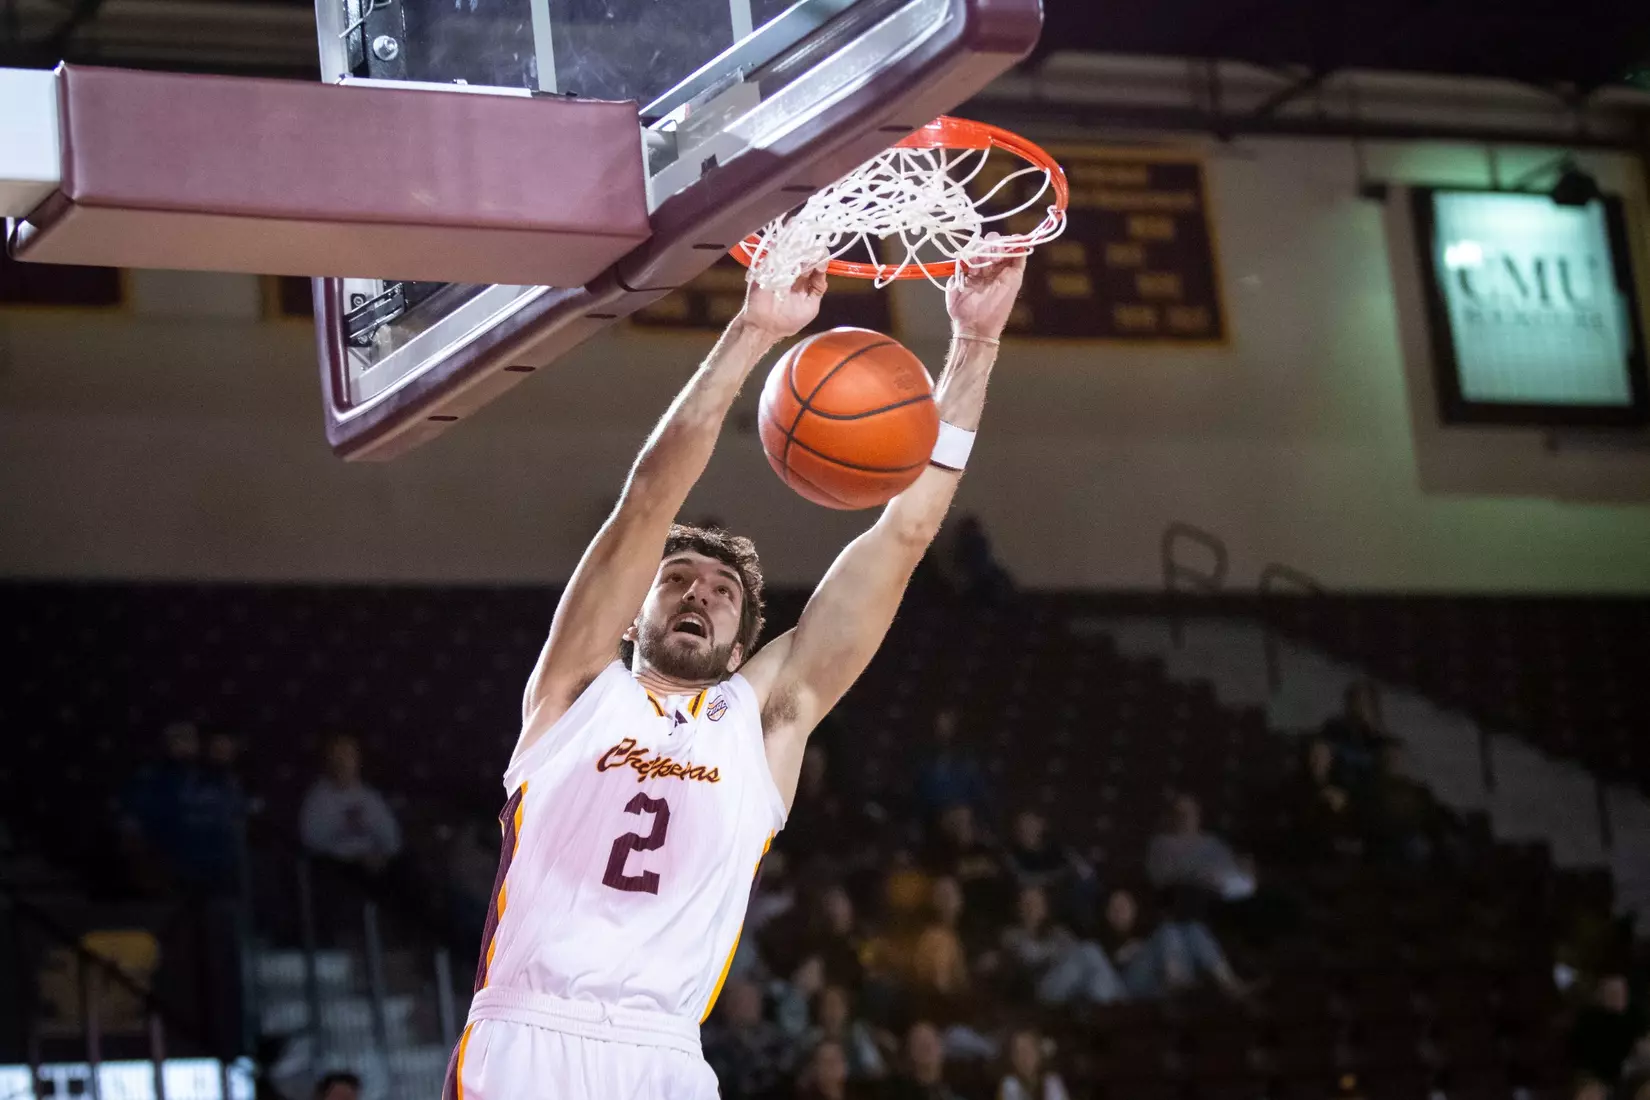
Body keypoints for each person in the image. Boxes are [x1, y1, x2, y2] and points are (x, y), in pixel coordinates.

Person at [441, 252, 1026, 1100]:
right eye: (674, 581)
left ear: (743, 636)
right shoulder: (574, 693)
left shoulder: (761, 721)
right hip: (532, 1034)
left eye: (719, 593)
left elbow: (902, 539)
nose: (696, 595)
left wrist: (975, 340)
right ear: (634, 615)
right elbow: (649, 498)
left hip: (666, 1052)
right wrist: (754, 330)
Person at [998, 884, 1125, 1007]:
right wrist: (1057, 955)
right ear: (1018, 907)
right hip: (1042, 988)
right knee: (1090, 949)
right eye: (1027, 902)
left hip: (1067, 982)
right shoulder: (1012, 934)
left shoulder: (1059, 932)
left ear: (1045, 907)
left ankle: (1113, 1011)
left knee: (1094, 976)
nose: (1032, 907)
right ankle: (1123, 1004)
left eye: (1037, 902)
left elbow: (1078, 955)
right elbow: (1029, 957)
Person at [298, 735, 401, 871]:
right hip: (333, 865)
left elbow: (392, 839)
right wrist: (342, 823)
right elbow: (310, 839)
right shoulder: (318, 797)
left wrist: (380, 855)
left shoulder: (370, 796)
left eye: (348, 756)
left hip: (372, 863)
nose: (343, 762)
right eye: (338, 756)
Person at [884, 1021, 964, 1100]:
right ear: (908, 1054)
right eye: (920, 1043)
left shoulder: (949, 1090)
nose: (928, 1047)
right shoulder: (898, 1092)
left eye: (932, 1040)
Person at [997, 1029, 1070, 1100]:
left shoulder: (1052, 1082)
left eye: (1028, 1051)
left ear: (1039, 1054)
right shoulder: (1009, 1085)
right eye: (1018, 1052)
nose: (1023, 1058)